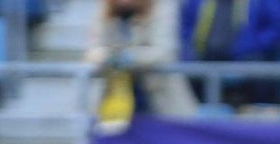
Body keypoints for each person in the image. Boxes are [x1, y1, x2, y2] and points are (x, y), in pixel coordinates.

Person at [85, 0, 198, 130]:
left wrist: (130, 59)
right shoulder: (105, 7)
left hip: (158, 97)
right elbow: (92, 50)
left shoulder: (162, 6)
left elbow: (162, 52)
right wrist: (107, 57)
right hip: (115, 101)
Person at [179, 0, 280, 107]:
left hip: (249, 57)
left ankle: (257, 116)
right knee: (184, 71)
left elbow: (277, 27)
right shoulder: (196, 2)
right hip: (206, 58)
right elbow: (185, 28)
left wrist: (253, 47)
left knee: (260, 71)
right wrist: (190, 51)